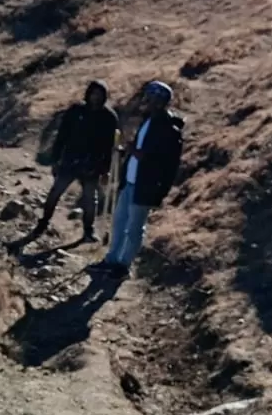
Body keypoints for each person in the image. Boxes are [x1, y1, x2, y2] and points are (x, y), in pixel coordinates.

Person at [98, 81, 184, 280]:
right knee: (119, 222)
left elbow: (167, 163)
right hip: (130, 180)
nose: (148, 101)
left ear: (160, 101)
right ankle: (111, 259)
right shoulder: (148, 121)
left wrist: (139, 154)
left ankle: (123, 265)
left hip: (146, 185)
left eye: (152, 98)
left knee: (135, 227)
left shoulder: (169, 129)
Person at [23, 80, 118, 245]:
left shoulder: (109, 117)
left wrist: (105, 169)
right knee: (55, 192)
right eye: (93, 93)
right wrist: (55, 159)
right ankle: (43, 223)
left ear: (104, 97)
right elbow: (62, 136)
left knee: (90, 199)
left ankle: (89, 230)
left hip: (92, 164)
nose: (96, 98)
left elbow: (109, 146)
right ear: (88, 93)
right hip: (70, 160)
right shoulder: (75, 111)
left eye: (100, 95)